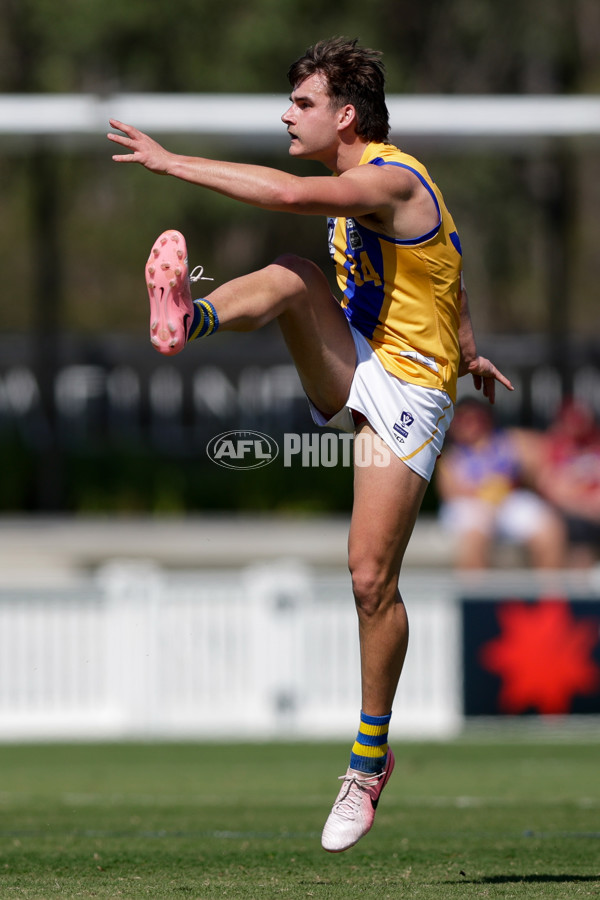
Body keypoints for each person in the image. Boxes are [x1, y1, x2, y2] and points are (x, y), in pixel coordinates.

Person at [107, 36, 512, 853]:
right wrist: (473, 344)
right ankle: (191, 317)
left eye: (302, 103)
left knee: (369, 577)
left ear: (346, 114)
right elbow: (453, 273)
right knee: (295, 276)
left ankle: (368, 762)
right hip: (358, 356)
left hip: (409, 391)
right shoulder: (364, 185)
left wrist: (170, 164)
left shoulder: (388, 179)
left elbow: (292, 196)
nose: (287, 114)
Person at [436, 398, 566, 568]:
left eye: (474, 418)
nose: (469, 424)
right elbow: (449, 492)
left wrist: (530, 478)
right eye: (462, 419)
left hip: (508, 500)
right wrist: (484, 493)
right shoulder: (451, 456)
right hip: (470, 504)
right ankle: (476, 592)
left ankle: (550, 591)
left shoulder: (509, 440)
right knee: (474, 531)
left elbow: (546, 451)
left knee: (547, 525)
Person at [532, 399, 600, 566]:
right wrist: (584, 505)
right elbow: (552, 489)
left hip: (593, 510)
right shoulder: (554, 445)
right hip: (569, 516)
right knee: (574, 541)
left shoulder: (595, 442)